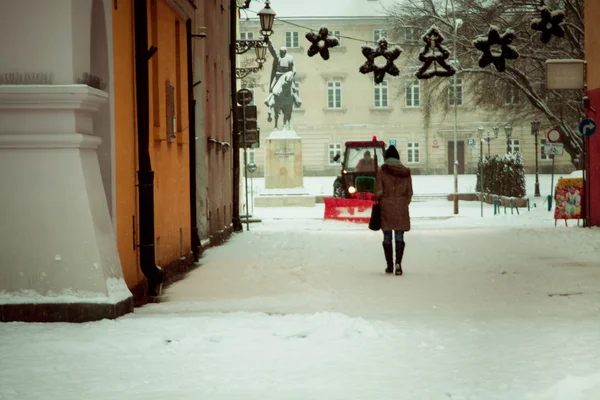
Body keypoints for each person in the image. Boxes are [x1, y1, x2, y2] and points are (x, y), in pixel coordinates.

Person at [374, 145, 413, 275]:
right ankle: (398, 264)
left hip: (386, 206)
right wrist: (402, 203)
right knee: (399, 236)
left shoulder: (382, 171)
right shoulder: (406, 172)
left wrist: (381, 199)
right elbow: (409, 192)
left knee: (387, 237)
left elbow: (378, 191)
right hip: (401, 207)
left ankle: (389, 265)